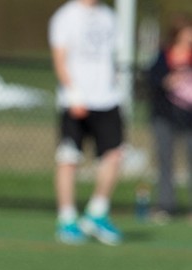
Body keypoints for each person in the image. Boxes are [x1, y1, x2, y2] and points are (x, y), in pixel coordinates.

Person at [48, 0, 125, 245]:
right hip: (77, 100)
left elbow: (113, 56)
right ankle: (67, 219)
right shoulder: (65, 16)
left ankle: (97, 212)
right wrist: (73, 94)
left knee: (113, 155)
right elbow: (59, 57)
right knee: (69, 158)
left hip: (107, 99)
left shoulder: (108, 16)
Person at [147, 14, 192, 223]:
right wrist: (167, 80)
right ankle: (166, 206)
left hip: (189, 117)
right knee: (165, 160)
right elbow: (151, 80)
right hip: (165, 115)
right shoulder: (163, 56)